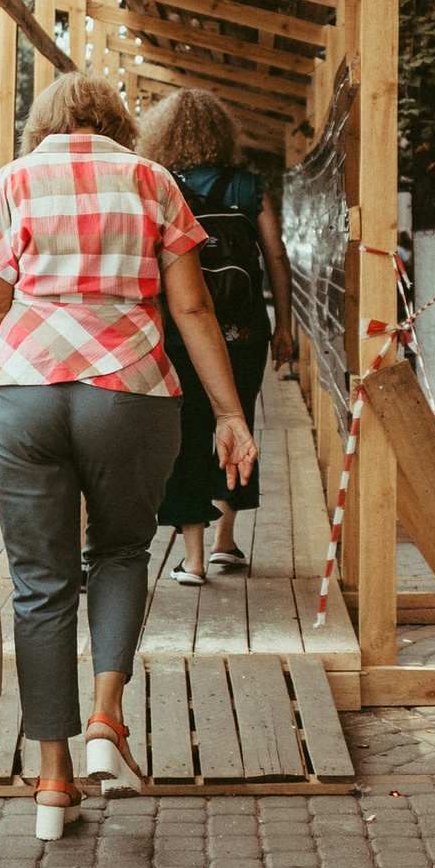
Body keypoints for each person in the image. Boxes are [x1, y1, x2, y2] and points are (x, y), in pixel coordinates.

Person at [0, 70, 256, 841]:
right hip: (132, 392)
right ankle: (106, 721)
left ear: (41, 124)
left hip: (22, 392)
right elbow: (190, 305)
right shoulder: (152, 182)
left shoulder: (14, 183)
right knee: (119, 550)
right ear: (119, 122)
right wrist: (228, 411)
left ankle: (53, 784)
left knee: (42, 586)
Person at [133, 89, 293, 583]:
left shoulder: (159, 186)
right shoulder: (248, 186)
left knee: (188, 437)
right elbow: (275, 257)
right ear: (222, 134)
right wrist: (284, 325)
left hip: (180, 334)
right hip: (243, 333)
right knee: (237, 422)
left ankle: (195, 557)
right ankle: (226, 541)